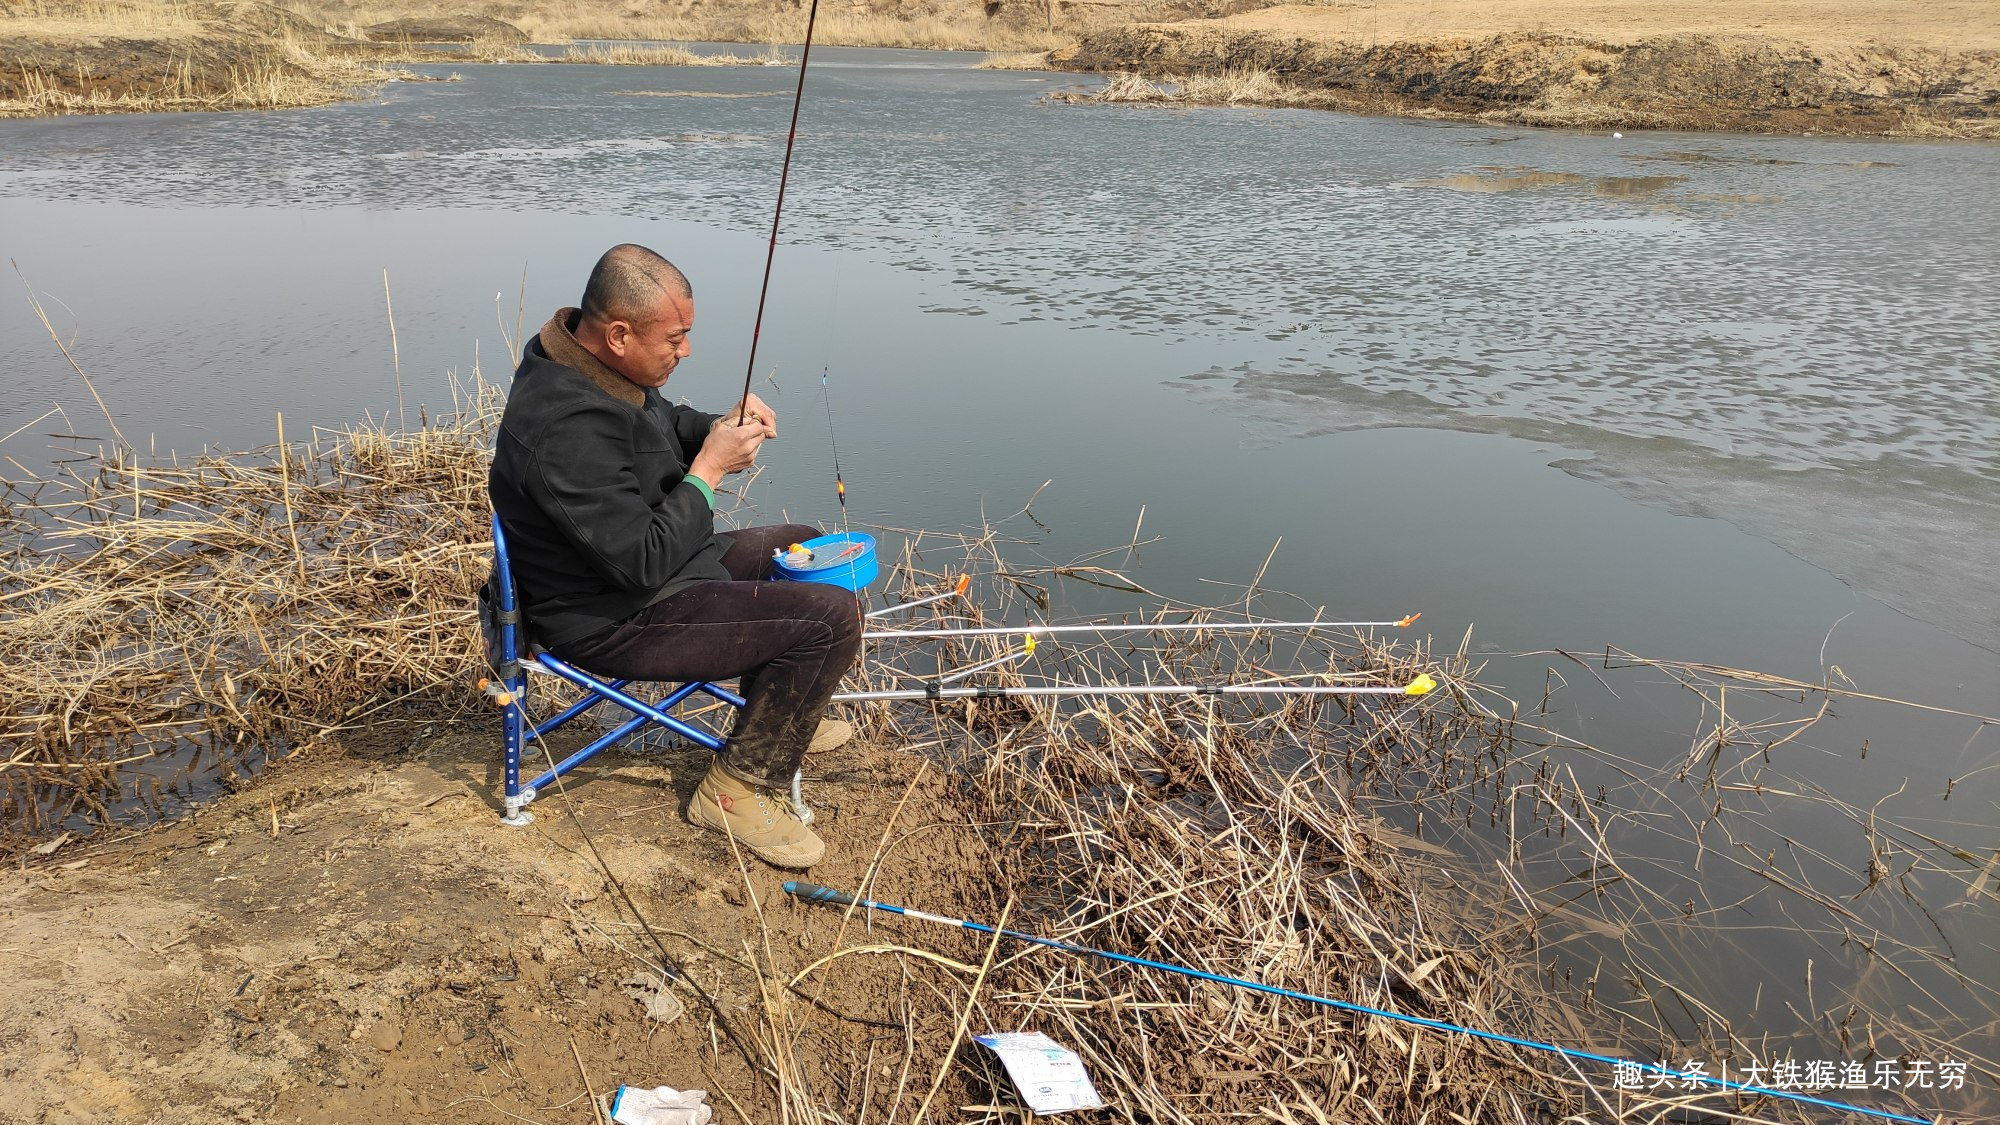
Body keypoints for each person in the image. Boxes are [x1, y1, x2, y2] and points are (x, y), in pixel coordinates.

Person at [489, 244, 861, 869]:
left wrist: (719, 426)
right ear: (618, 333)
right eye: (676, 338)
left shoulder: (590, 365)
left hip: (643, 576)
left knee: (806, 545)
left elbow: (661, 424)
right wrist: (710, 470)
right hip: (610, 614)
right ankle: (736, 791)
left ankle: (780, 712)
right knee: (829, 619)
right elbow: (643, 560)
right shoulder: (566, 428)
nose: (684, 351)